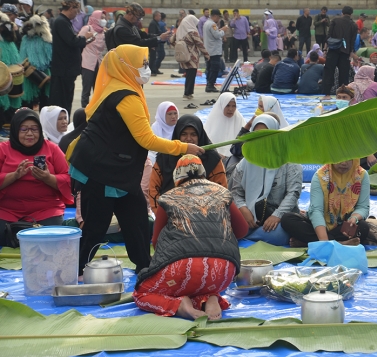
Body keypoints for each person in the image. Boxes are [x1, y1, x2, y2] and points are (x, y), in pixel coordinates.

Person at [68, 45, 204, 277]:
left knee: (137, 221)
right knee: (96, 227)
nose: (146, 68)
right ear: (125, 65)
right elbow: (146, 139)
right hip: (103, 171)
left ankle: (144, 266)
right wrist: (184, 147)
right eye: (142, 63)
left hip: (118, 171)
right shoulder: (126, 96)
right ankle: (76, 270)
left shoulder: (118, 85)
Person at [134, 155, 248, 320]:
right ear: (203, 173)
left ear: (176, 177)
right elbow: (243, 230)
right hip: (223, 273)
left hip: (182, 269)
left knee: (142, 293)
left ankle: (178, 305)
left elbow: (156, 242)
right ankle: (210, 297)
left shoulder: (168, 198)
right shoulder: (222, 192)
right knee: (199, 284)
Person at [0, 108, 73, 246]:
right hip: (7, 211)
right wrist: (14, 176)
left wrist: (48, 178)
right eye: (24, 129)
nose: (30, 134)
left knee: (53, 239)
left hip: (45, 211)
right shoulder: (3, 149)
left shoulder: (52, 149)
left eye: (34, 129)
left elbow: (69, 178)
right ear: (15, 131)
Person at [231, 114, 303, 246]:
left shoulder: (289, 160)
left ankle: (249, 236)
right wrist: (244, 209)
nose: (261, 139)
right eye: (257, 135)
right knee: (230, 224)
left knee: (280, 235)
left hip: (279, 219)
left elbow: (293, 193)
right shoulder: (246, 162)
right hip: (251, 217)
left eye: (266, 134)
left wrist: (277, 215)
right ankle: (255, 234)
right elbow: (236, 192)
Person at [282, 159, 370, 247]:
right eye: (339, 159)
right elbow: (316, 210)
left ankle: (309, 242)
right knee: (287, 219)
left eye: (348, 159)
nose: (343, 163)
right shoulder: (320, 176)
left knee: (363, 227)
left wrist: (354, 218)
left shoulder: (361, 175)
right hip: (319, 226)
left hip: (343, 226)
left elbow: (363, 207)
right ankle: (339, 243)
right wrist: (324, 240)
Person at [149, 116, 226, 215]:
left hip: (206, 215)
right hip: (170, 215)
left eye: (193, 134)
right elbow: (153, 190)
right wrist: (162, 215)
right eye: (184, 134)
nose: (189, 139)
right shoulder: (165, 158)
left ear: (200, 135)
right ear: (177, 135)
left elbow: (221, 190)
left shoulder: (212, 159)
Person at [49, 0, 92, 117]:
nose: (77, 14)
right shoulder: (61, 22)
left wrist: (85, 41)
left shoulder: (64, 22)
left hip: (66, 69)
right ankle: (60, 123)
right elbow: (72, 41)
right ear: (71, 8)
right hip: (64, 69)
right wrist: (84, 37)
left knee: (66, 100)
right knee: (62, 101)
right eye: (76, 11)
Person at [321, 6, 359, 100]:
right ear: (351, 14)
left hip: (333, 50)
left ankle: (327, 94)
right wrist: (351, 53)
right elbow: (352, 41)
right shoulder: (353, 25)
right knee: (344, 74)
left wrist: (325, 50)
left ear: (342, 13)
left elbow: (328, 36)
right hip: (345, 52)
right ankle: (344, 95)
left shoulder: (335, 21)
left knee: (329, 72)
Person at [18, 12, 52, 111]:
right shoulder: (25, 39)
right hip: (29, 74)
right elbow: (22, 56)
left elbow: (50, 57)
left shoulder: (45, 39)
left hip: (45, 74)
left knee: (45, 101)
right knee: (28, 101)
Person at [173, 14, 209, 100]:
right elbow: (199, 43)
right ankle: (188, 93)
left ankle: (187, 92)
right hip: (192, 57)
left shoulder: (180, 31)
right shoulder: (192, 32)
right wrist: (206, 54)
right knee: (191, 75)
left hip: (184, 56)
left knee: (188, 74)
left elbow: (171, 40)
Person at [79, 10, 107, 108]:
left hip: (98, 63)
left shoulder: (103, 32)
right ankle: (84, 110)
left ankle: (96, 110)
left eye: (104, 18)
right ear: (95, 18)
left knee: (98, 89)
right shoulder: (88, 28)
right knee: (86, 90)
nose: (104, 20)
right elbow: (78, 41)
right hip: (87, 63)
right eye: (101, 18)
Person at [204, 92, 246, 157]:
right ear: (222, 105)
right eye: (227, 105)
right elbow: (205, 143)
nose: (231, 109)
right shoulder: (213, 119)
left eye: (233, 106)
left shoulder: (239, 119)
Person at [203, 9, 226, 93]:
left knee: (209, 68)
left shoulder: (206, 23)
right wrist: (223, 30)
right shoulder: (212, 24)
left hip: (208, 49)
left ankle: (209, 84)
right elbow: (217, 35)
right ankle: (211, 84)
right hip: (214, 50)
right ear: (215, 16)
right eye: (218, 17)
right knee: (214, 68)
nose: (218, 19)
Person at [148, 11, 163, 76]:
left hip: (156, 42)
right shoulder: (153, 24)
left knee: (154, 57)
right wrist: (152, 44)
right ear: (155, 16)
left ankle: (154, 69)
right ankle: (152, 70)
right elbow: (152, 34)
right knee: (152, 57)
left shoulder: (156, 23)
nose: (160, 17)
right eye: (159, 16)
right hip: (153, 43)